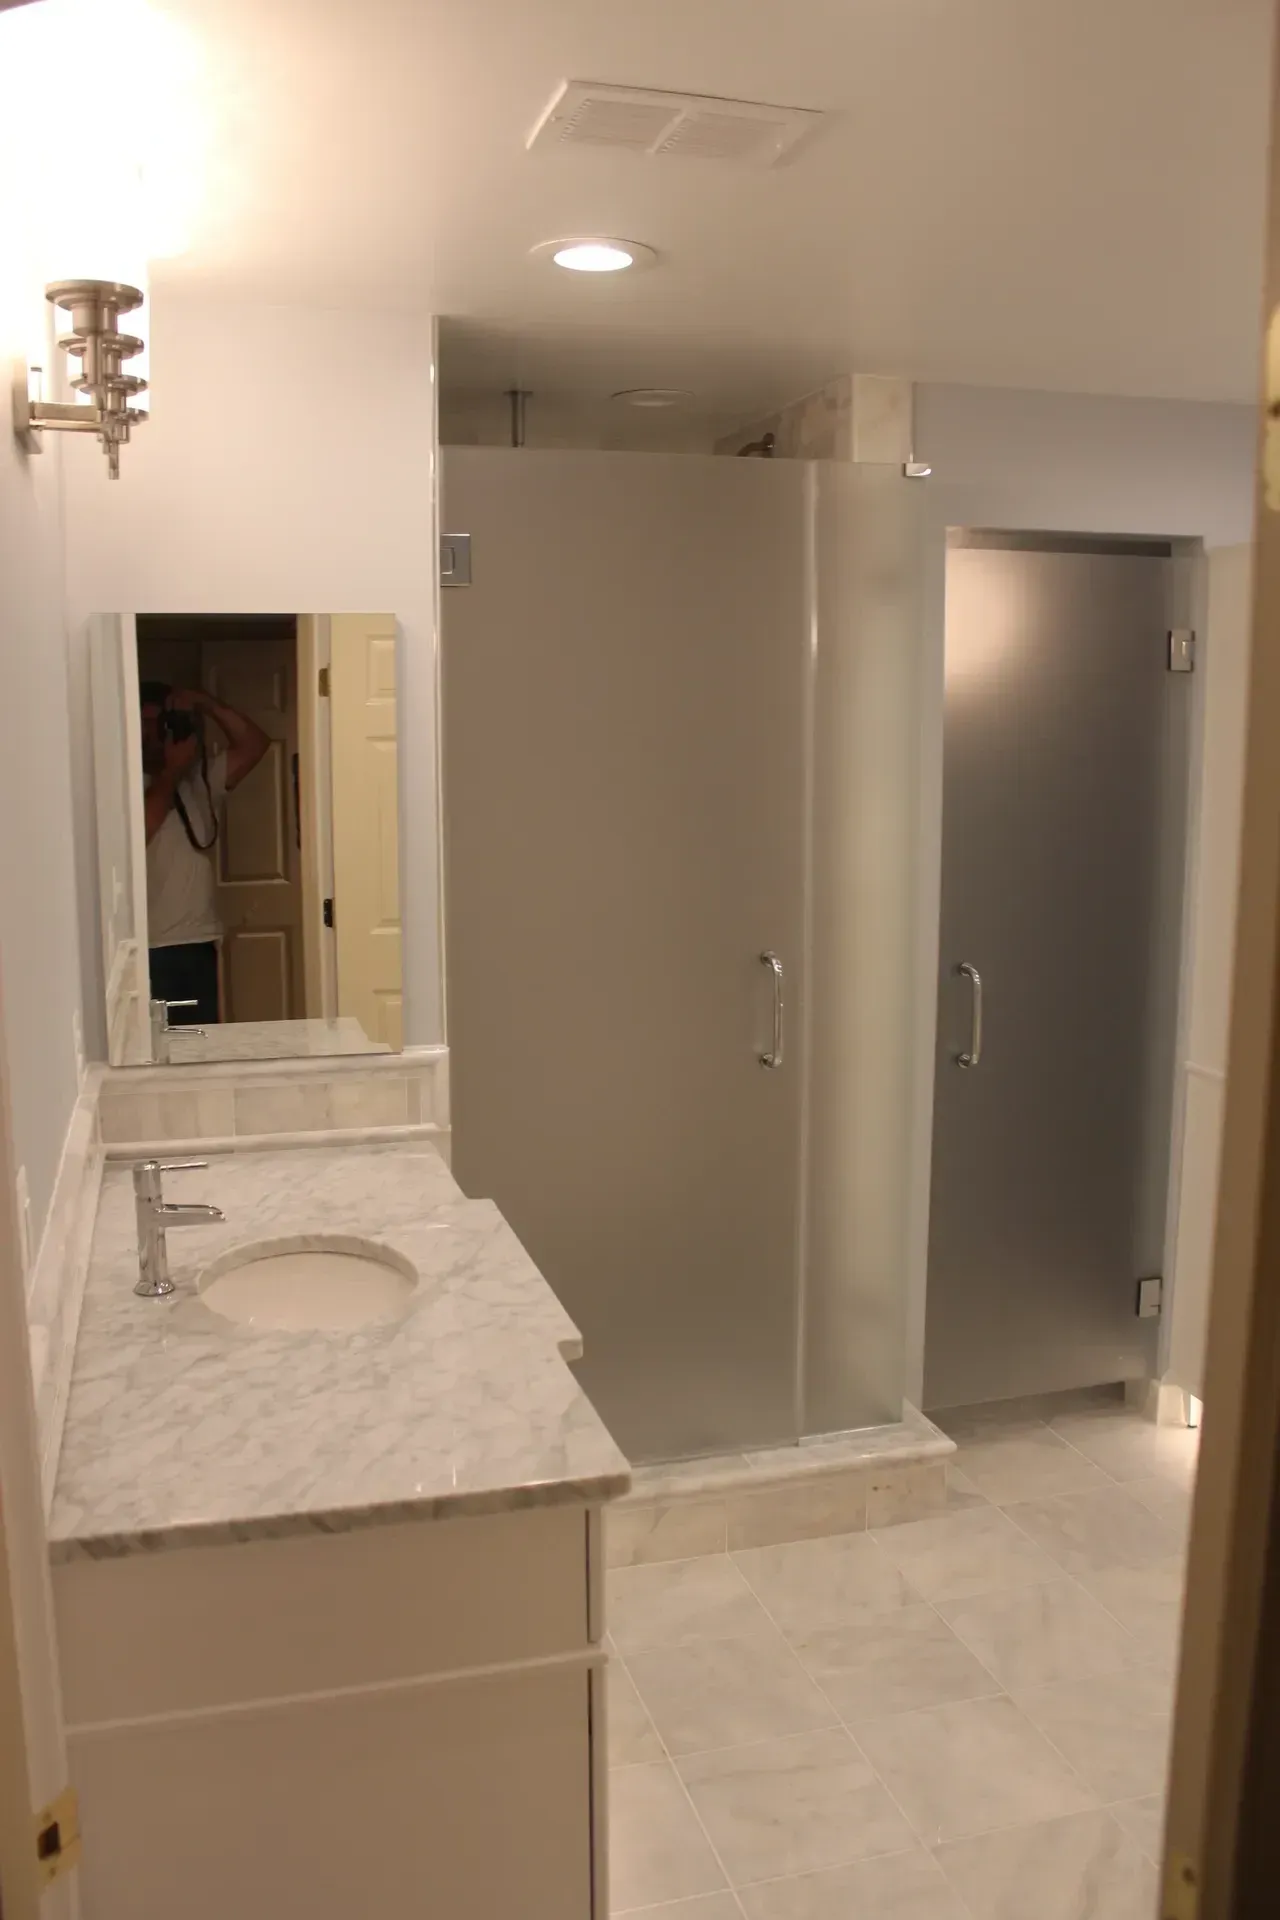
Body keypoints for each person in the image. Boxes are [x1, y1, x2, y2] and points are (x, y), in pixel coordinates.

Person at [140, 682, 269, 1025]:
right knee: (164, 1055)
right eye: (145, 723)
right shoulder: (127, 787)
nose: (153, 733)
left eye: (161, 723)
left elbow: (255, 744)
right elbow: (142, 830)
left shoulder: (197, 780)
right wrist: (170, 771)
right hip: (153, 948)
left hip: (199, 942)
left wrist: (205, 702)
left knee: (202, 1051)